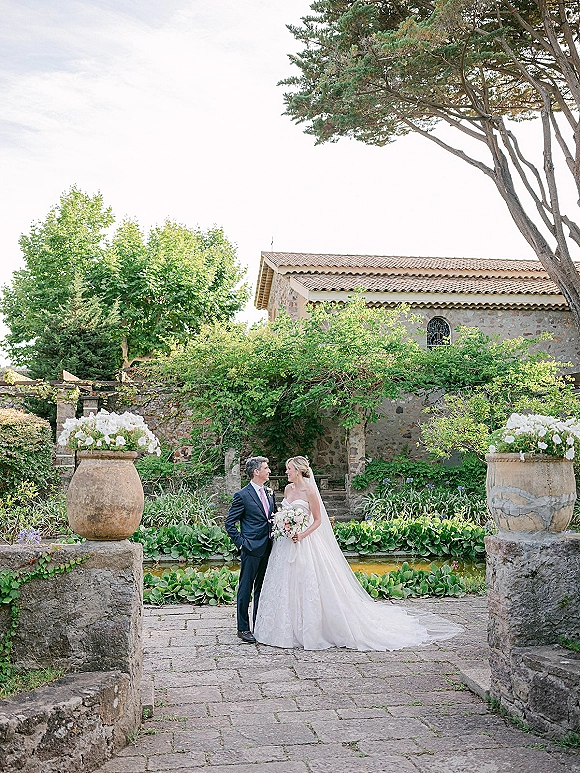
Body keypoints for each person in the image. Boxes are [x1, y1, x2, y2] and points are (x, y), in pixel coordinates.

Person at [253, 456, 463, 650]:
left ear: (298, 470)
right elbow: (284, 514)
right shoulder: (288, 490)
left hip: (306, 542)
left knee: (310, 583)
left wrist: (302, 534)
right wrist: (286, 528)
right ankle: (285, 628)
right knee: (285, 584)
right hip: (286, 544)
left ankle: (313, 628)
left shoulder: (310, 492)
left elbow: (317, 520)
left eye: (289, 469)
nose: (285, 471)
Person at [225, 456, 276, 643]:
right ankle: (243, 628)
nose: (269, 470)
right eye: (266, 467)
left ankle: (259, 624)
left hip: (269, 547)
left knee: (262, 588)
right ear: (256, 472)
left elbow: (273, 517)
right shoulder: (242, 495)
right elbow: (229, 523)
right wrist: (241, 543)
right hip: (251, 548)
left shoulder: (270, 493)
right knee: (245, 589)